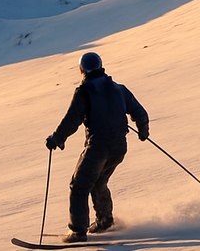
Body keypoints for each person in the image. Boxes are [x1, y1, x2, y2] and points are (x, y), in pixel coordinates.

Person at [46, 52, 149, 243]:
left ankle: (78, 231)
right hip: (119, 147)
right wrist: (143, 129)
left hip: (98, 147)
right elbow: (139, 110)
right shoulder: (118, 88)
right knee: (98, 181)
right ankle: (105, 220)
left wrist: (56, 139)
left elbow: (72, 120)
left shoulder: (84, 92)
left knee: (79, 185)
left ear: (82, 69)